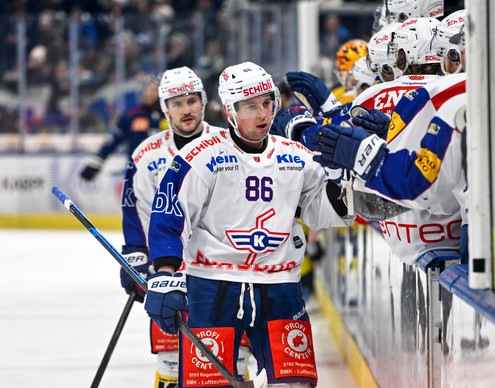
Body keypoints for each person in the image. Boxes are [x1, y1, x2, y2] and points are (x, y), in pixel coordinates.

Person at [143, 61, 353, 387]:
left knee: (294, 383)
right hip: (213, 285)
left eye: (267, 103)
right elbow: (170, 214)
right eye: (250, 106)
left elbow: (320, 209)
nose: (262, 114)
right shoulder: (200, 156)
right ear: (229, 110)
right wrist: (165, 275)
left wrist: (344, 182)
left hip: (280, 286)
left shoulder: (296, 156)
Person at [119, 66, 221, 388]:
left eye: (192, 100)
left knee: (227, 357)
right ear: (164, 109)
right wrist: (135, 253)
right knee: (171, 358)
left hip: (221, 269)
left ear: (204, 102)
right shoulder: (146, 154)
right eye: (176, 103)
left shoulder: (226, 143)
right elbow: (132, 208)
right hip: (168, 270)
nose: (186, 109)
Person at [79, 74, 165, 181]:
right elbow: (113, 140)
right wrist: (95, 164)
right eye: (147, 89)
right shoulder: (133, 114)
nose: (149, 93)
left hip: (167, 173)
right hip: (138, 174)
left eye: (154, 90)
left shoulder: (172, 115)